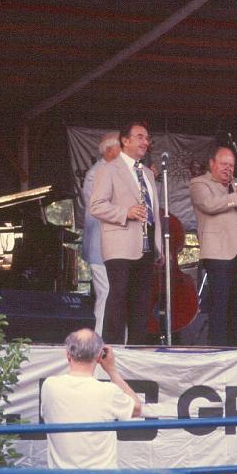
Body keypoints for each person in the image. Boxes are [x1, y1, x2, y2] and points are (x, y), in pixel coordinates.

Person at [90, 121, 162, 345]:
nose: (145, 142)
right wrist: (125, 212)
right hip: (120, 243)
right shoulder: (108, 169)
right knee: (118, 298)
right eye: (140, 136)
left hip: (146, 244)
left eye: (147, 138)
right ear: (125, 140)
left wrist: (159, 245)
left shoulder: (148, 174)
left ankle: (136, 352)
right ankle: (111, 351)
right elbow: (96, 206)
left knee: (141, 303)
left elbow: (155, 213)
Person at [40, 328, 141, 469]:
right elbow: (137, 409)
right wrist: (112, 370)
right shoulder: (109, 391)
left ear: (68, 355)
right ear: (100, 356)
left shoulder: (49, 386)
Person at [190, 146, 237, 346]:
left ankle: (235, 350)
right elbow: (209, 205)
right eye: (224, 164)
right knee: (220, 304)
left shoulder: (235, 187)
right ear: (212, 163)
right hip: (218, 253)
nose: (228, 169)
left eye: (232, 165)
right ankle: (218, 351)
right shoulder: (199, 183)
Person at [81, 131, 121, 335]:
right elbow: (98, 207)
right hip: (99, 245)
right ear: (110, 150)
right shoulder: (95, 174)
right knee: (105, 291)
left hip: (115, 246)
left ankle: (116, 339)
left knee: (115, 292)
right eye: (120, 147)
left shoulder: (117, 171)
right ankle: (98, 339)